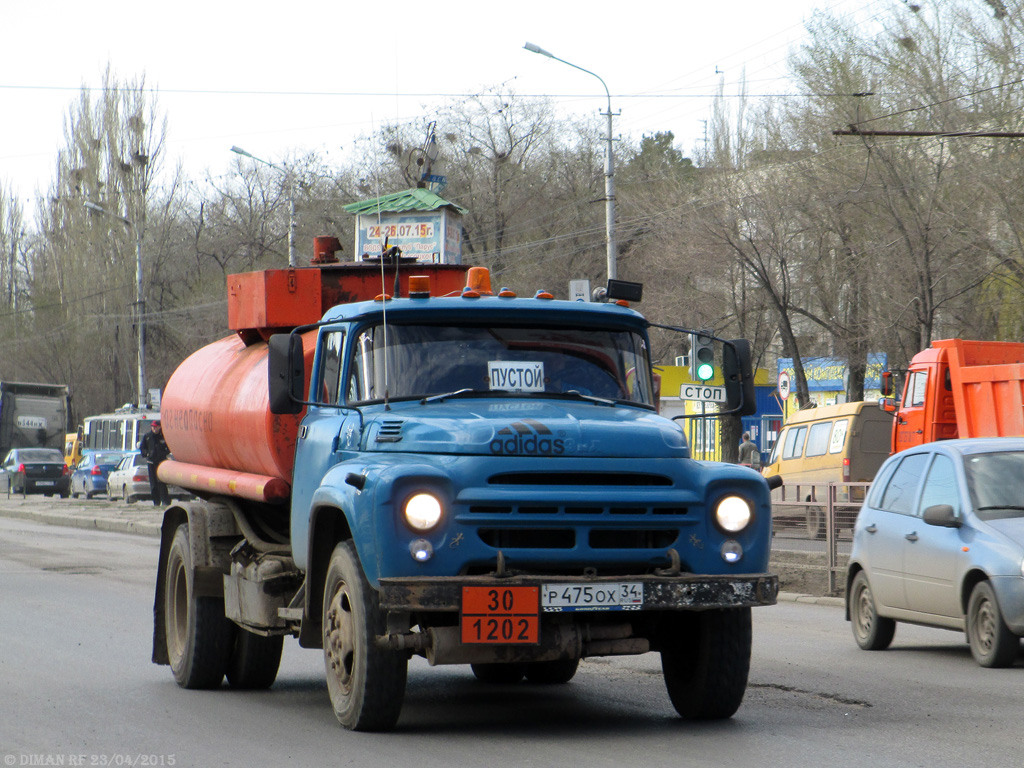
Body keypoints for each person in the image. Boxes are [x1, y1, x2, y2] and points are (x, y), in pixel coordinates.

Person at [139, 420, 171, 506]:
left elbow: (169, 447)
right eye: (152, 426)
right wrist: (147, 453)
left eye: (155, 426)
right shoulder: (147, 437)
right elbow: (142, 449)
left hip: (161, 463)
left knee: (162, 482)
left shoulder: (163, 436)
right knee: (153, 484)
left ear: (159, 427)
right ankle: (156, 502)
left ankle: (165, 501)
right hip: (151, 463)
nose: (154, 428)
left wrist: (163, 453)